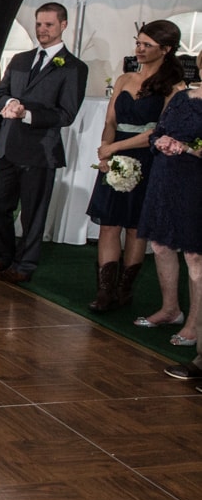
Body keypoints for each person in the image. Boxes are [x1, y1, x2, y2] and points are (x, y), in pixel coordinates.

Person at [85, 20, 185, 311]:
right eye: (138, 43)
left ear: (165, 50)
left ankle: (124, 290)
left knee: (134, 227)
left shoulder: (173, 88)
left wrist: (115, 148)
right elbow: (110, 122)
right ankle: (104, 292)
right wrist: (105, 155)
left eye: (146, 45)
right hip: (114, 158)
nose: (139, 49)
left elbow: (160, 133)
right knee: (108, 224)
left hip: (147, 160)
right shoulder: (124, 80)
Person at [0, 2, 89, 283]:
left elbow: (66, 114)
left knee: (33, 213)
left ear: (63, 25)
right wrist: (8, 102)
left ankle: (24, 265)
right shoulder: (20, 59)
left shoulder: (74, 67)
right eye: (39, 24)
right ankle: (4, 256)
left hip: (40, 151)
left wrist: (27, 113)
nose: (42, 30)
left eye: (49, 25)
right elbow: (0, 93)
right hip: (8, 146)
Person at [138, 80, 202, 351]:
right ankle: (170, 309)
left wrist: (186, 148)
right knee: (161, 243)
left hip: (196, 179)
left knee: (194, 252)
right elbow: (157, 131)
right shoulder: (180, 97)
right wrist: (160, 140)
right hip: (165, 175)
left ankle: (196, 325)